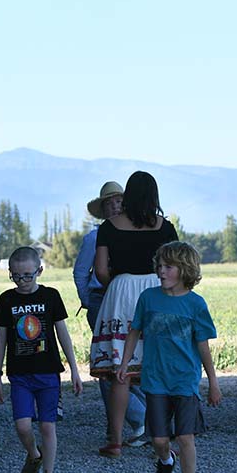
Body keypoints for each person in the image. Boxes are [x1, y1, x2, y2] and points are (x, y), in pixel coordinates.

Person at [117, 242, 221, 473]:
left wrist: (213, 383)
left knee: (186, 436)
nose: (161, 272)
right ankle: (165, 463)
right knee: (160, 441)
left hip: (185, 380)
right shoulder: (148, 299)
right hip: (155, 380)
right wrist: (125, 362)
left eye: (168, 267)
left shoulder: (196, 304)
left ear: (184, 270)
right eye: (159, 266)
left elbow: (203, 346)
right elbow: (134, 332)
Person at [89, 171, 178, 458]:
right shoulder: (166, 228)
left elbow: (101, 271)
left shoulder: (109, 227)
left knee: (121, 370)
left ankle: (115, 441)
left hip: (122, 291)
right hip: (157, 290)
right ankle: (160, 436)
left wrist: (118, 282)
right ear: (154, 196)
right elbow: (176, 266)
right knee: (157, 369)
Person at [0, 246, 83, 473]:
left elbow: (62, 333)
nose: (22, 282)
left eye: (27, 276)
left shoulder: (51, 296)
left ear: (39, 271)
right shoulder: (6, 300)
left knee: (47, 426)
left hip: (48, 374)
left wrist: (75, 369)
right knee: (22, 426)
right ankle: (33, 456)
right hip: (19, 376)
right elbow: (1, 338)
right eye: (16, 277)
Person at [73, 180, 148, 447]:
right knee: (111, 363)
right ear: (103, 209)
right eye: (110, 203)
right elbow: (82, 273)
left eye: (119, 201)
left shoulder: (130, 231)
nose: (115, 206)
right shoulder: (94, 237)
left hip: (128, 301)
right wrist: (90, 301)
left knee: (129, 360)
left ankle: (131, 424)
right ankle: (140, 420)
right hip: (102, 300)